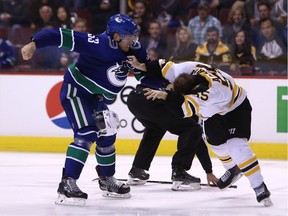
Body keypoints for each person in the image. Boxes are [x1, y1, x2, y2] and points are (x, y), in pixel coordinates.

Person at [21, 14, 148, 206]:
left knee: (107, 134)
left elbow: (146, 74)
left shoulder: (136, 50)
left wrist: (161, 86)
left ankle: (106, 180)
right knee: (86, 133)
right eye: (129, 36)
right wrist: (34, 43)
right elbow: (59, 35)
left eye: (134, 35)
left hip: (94, 97)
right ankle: (67, 184)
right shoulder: (97, 43)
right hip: (76, 92)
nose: (134, 40)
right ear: (115, 36)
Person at [127, 57, 273, 206]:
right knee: (216, 144)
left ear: (192, 92)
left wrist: (165, 95)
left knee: (237, 147)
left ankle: (259, 186)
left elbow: (181, 110)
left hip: (236, 109)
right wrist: (141, 65)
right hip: (215, 111)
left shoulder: (209, 94)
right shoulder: (188, 69)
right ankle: (233, 170)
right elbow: (161, 65)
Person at [126, 57, 218, 190]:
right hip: (152, 99)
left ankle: (137, 169)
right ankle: (179, 172)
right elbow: (196, 137)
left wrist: (138, 64)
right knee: (193, 129)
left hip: (134, 98)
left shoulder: (171, 70)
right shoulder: (192, 92)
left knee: (155, 128)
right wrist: (208, 171)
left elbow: (150, 66)